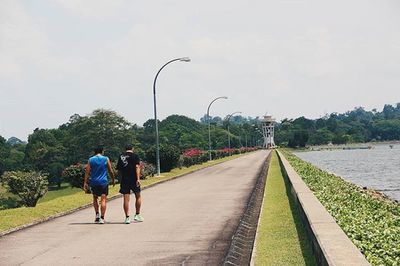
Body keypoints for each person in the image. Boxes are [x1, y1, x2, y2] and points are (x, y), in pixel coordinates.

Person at [83, 146, 115, 224]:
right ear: (102, 151)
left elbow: (87, 172)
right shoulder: (106, 159)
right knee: (103, 199)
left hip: (94, 182)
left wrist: (85, 182)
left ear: (94, 151)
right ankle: (102, 218)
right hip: (103, 182)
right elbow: (110, 170)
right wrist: (113, 179)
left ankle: (97, 214)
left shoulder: (91, 160)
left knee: (95, 197)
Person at [117, 144, 143, 224]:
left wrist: (120, 179)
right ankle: (137, 214)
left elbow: (119, 170)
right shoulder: (135, 156)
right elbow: (137, 167)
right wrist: (138, 179)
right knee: (138, 196)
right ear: (132, 149)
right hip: (134, 179)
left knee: (126, 199)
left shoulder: (121, 156)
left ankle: (127, 217)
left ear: (125, 149)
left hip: (125, 179)